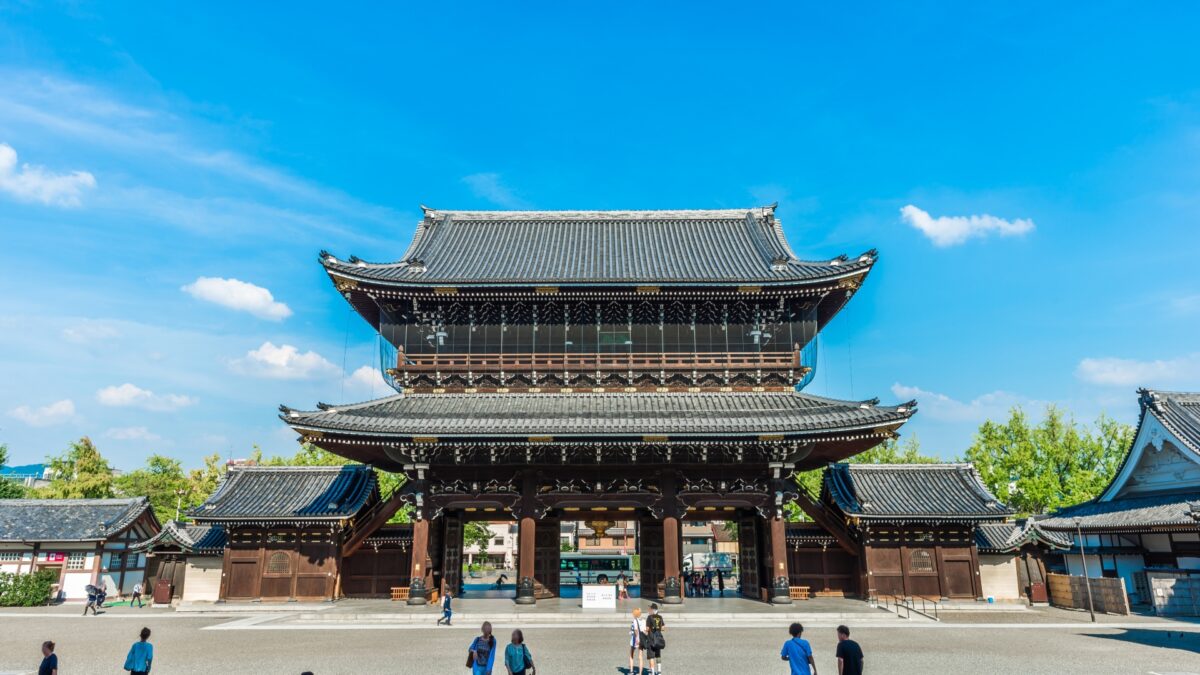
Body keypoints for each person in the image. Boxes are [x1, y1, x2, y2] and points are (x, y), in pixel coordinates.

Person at [645, 602, 666, 675]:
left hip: (651, 639)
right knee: (658, 654)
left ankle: (653, 672)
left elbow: (647, 629)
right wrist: (658, 628)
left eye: (650, 608)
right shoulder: (660, 617)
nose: (649, 610)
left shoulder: (649, 617)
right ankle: (659, 671)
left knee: (651, 656)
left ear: (653, 610)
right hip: (658, 639)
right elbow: (663, 628)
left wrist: (644, 631)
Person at [628, 607, 646, 675]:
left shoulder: (635, 620)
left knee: (631, 654)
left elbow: (635, 630)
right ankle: (640, 673)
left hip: (635, 639)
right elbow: (644, 631)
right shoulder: (644, 621)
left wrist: (637, 638)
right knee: (640, 656)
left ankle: (631, 671)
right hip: (642, 639)